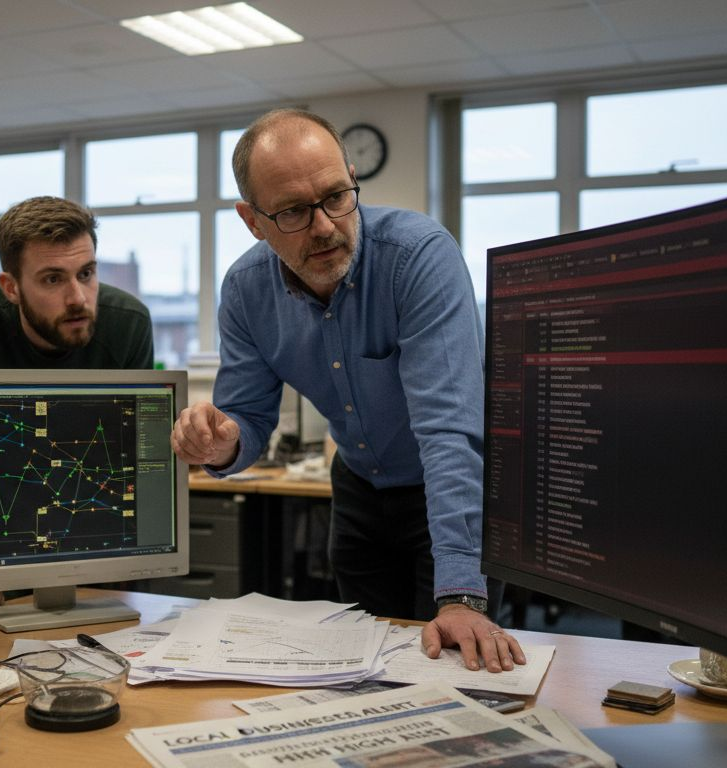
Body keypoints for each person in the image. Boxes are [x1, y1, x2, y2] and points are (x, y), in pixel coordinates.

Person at [170, 109, 525, 673]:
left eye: (337, 195)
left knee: (451, 668)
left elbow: (448, 428)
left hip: (451, 489)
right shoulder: (244, 291)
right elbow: (247, 417)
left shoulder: (418, 257)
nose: (325, 226)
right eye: (291, 211)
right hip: (359, 489)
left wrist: (462, 594)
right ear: (252, 220)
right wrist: (222, 443)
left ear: (352, 178)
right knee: (362, 669)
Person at [0, 196, 153, 617]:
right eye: (52, 280)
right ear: (11, 287)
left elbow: (129, 462)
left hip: (97, 527)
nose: (78, 298)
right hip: (2, 525)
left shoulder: (128, 325)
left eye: (87, 274)